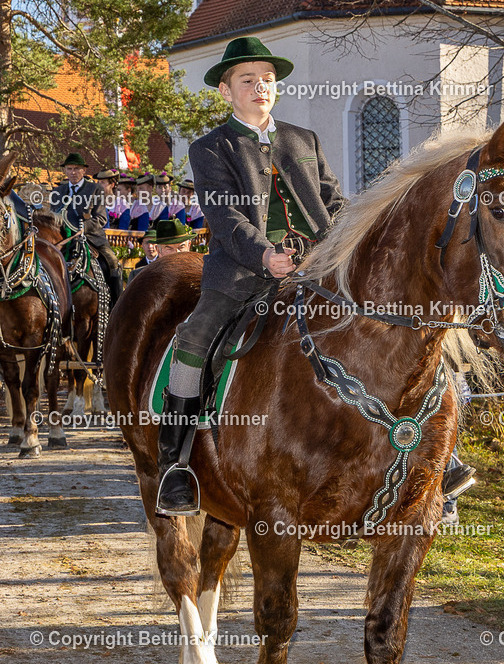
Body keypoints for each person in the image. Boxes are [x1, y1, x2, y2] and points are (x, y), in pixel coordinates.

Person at [155, 36, 346, 516]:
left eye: (267, 79)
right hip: (243, 274)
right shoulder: (210, 147)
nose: (261, 86)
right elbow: (228, 221)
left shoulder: (305, 140)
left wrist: (347, 242)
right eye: (248, 80)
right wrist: (266, 257)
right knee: (196, 336)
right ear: (226, 92)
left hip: (319, 267)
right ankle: (174, 464)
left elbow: (336, 204)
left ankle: (425, 451)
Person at [51, 151, 123, 305]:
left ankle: (118, 305)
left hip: (91, 238)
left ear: (84, 170)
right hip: (62, 239)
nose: (73, 172)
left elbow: (102, 218)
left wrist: (82, 227)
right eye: (69, 169)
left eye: (77, 169)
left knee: (113, 262)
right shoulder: (57, 192)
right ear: (65, 170)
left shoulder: (94, 189)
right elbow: (52, 218)